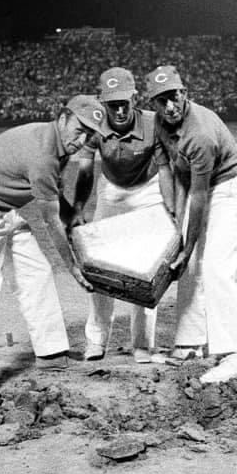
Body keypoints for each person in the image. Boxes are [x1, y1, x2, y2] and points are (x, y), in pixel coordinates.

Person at [0, 95, 102, 415]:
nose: (82, 139)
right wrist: (73, 267)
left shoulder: (55, 142)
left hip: (5, 209)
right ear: (63, 118)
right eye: (79, 129)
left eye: (90, 134)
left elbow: (54, 198)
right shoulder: (44, 154)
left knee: (37, 271)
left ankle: (51, 354)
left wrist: (71, 215)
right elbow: (50, 220)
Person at [145, 65, 237, 384]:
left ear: (184, 94)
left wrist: (187, 244)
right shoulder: (161, 125)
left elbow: (201, 197)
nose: (169, 107)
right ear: (153, 104)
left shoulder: (200, 132)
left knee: (216, 267)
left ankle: (235, 354)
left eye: (173, 97)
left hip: (226, 189)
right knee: (189, 266)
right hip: (198, 187)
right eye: (161, 101)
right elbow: (177, 175)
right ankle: (189, 344)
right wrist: (178, 227)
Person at [72, 68, 171, 364]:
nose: (118, 109)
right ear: (102, 103)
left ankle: (142, 344)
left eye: (123, 102)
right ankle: (96, 341)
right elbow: (86, 171)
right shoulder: (95, 126)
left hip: (148, 190)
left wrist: (173, 209)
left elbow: (166, 170)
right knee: (100, 267)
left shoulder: (154, 124)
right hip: (112, 191)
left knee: (146, 268)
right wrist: (78, 209)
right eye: (111, 103)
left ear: (134, 98)